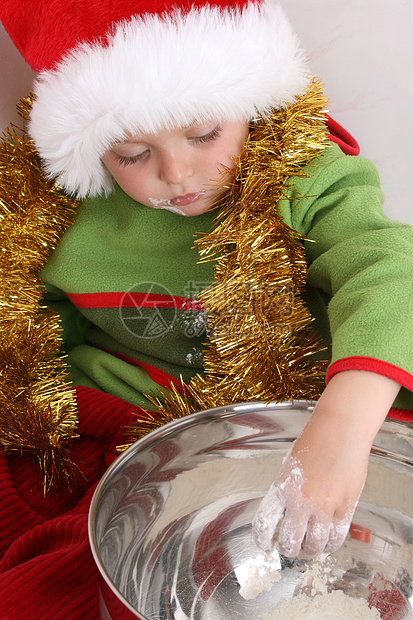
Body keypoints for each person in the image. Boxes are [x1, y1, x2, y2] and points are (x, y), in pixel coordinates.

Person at [0, 0, 412, 617]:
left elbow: (387, 270)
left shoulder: (299, 172)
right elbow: (31, 324)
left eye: (203, 134)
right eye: (132, 154)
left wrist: (345, 424)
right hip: (139, 420)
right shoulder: (58, 211)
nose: (177, 172)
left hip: (301, 407)